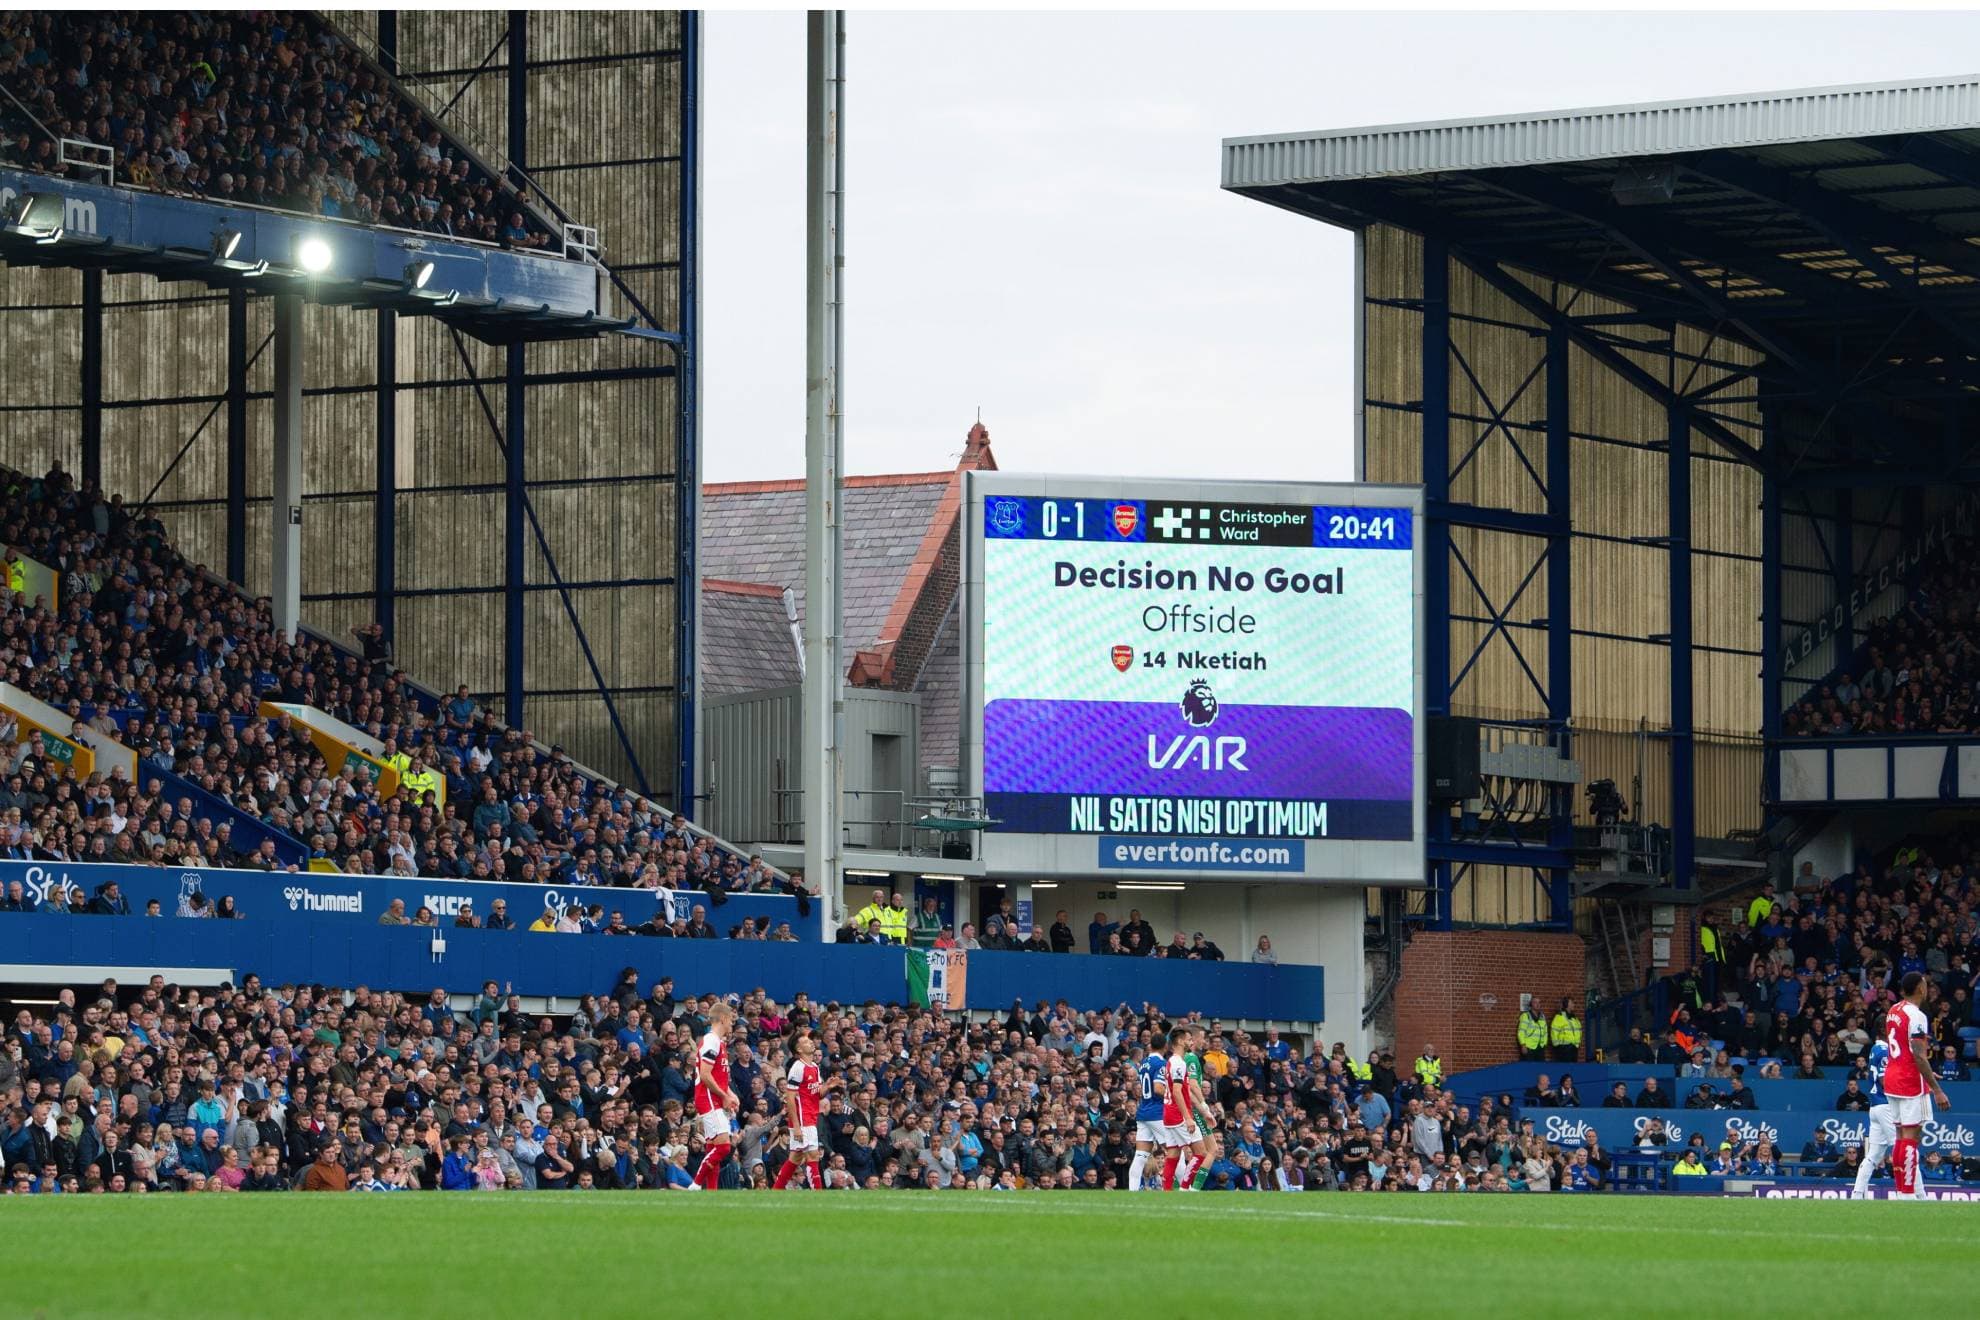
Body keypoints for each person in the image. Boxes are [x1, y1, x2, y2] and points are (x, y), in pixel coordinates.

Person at [1881, 970, 1950, 1201]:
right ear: (1920, 988)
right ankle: (1908, 1195)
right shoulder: (1917, 1016)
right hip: (1910, 1081)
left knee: (1900, 1135)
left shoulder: (1893, 1010)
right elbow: (1919, 1056)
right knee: (1911, 1136)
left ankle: (1901, 1191)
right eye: (1925, 984)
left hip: (1892, 1077)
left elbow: (1905, 1050)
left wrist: (1929, 1074)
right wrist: (1937, 1090)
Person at [773, 1031, 834, 1190]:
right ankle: (818, 1194)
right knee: (813, 1156)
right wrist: (797, 1126)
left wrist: (828, 1086)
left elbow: (817, 1094)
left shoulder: (814, 1066)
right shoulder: (797, 1068)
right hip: (802, 1118)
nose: (811, 1042)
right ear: (798, 1049)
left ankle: (775, 1190)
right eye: (806, 1041)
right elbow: (790, 1098)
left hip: (811, 1116)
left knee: (795, 1157)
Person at [692, 1003, 741, 1190]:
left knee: (713, 1148)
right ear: (723, 1019)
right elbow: (705, 1074)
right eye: (731, 1020)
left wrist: (730, 1093)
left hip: (714, 1097)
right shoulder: (711, 1040)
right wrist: (724, 1095)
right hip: (708, 1098)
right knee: (723, 1148)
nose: (732, 1025)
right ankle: (695, 1185)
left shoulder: (718, 1042)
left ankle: (711, 1192)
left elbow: (718, 1077)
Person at [1853, 1036, 1897, 1200]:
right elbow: (1884, 1080)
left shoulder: (1874, 1049)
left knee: (1874, 1155)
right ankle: (1911, 1193)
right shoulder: (1885, 1050)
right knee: (1901, 1148)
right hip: (1886, 1104)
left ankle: (1857, 1194)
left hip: (1875, 1105)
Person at [1126, 1032, 1168, 1191]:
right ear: (1166, 1046)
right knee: (1174, 1151)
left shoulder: (1144, 1062)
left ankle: (1133, 1192)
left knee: (1140, 1156)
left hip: (1143, 1112)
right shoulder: (1161, 1063)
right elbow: (1158, 1088)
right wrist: (1172, 1097)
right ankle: (1186, 1190)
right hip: (1157, 1113)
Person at [1158, 1031, 1196, 1190]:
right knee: (1202, 1152)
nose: (1191, 1042)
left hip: (1169, 1114)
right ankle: (1185, 1188)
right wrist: (1187, 1117)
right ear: (1180, 1041)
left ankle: (1166, 1192)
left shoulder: (1171, 1061)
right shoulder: (1179, 1062)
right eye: (1189, 1039)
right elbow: (1177, 1091)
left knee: (1173, 1155)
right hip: (1178, 1115)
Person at [1549, 998, 1582, 1063]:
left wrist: (1577, 1044)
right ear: (1567, 1005)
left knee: (1573, 1069)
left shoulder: (1574, 1018)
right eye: (1572, 1003)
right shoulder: (1559, 1017)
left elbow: (1579, 1031)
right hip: (1563, 1048)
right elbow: (1554, 1032)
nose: (1573, 1005)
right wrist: (1557, 1046)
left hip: (1574, 1048)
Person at [1517, 997, 1549, 1062]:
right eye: (1535, 1002)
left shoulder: (1542, 1017)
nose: (1537, 1004)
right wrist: (1523, 1045)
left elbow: (1545, 1032)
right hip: (1529, 1048)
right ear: (1531, 1005)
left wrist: (1544, 1044)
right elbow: (1521, 1031)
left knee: (1540, 1070)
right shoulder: (1526, 1016)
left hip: (1540, 1048)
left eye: (1539, 1002)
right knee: (1528, 1069)